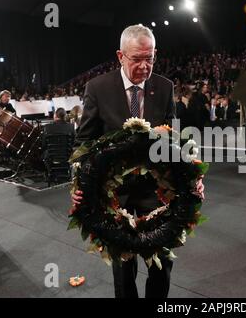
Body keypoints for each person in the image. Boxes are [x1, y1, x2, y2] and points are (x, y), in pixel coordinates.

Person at [71, 24, 176, 298]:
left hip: (157, 193)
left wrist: (193, 180)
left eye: (149, 58)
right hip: (116, 196)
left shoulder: (166, 88)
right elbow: (83, 144)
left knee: (161, 265)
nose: (144, 66)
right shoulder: (97, 88)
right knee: (124, 268)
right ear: (120, 56)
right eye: (136, 59)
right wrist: (79, 188)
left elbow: (175, 142)